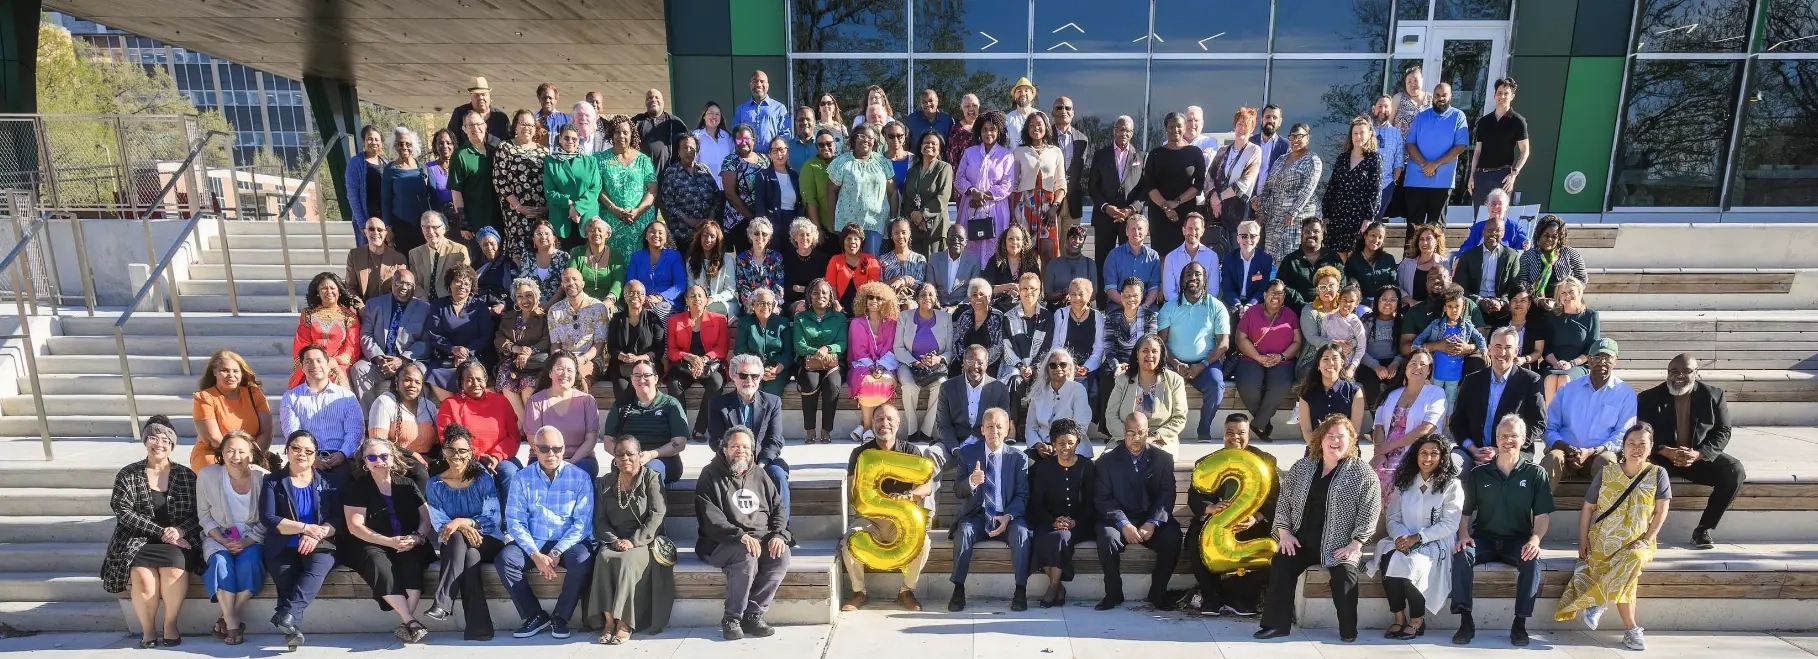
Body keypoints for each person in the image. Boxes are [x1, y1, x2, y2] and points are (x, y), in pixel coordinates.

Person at [1254, 415, 1381, 642]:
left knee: (1345, 574)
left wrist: (1356, 544)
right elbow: (1284, 501)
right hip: (1301, 540)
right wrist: (1284, 533)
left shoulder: (1363, 473)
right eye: (1329, 436)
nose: (1335, 441)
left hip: (1340, 544)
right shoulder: (1303, 467)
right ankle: (1276, 625)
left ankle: (1348, 630)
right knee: (1282, 562)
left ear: (1351, 440)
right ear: (1320, 439)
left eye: (1341, 436)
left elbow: (1370, 512)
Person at [1554, 423, 1671, 651]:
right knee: (1629, 576)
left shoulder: (1658, 474)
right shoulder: (1607, 472)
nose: (1636, 449)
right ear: (1623, 447)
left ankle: (1596, 601)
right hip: (1602, 539)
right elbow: (1588, 508)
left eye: (1642, 444)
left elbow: (1661, 511)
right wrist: (1582, 541)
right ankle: (1631, 630)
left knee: (1635, 557)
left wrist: (1647, 539)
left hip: (1638, 540)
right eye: (1631, 444)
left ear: (1651, 448)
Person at [1452, 414, 1554, 646]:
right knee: (1461, 555)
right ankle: (1465, 621)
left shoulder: (1535, 473)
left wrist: (1535, 540)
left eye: (1514, 436)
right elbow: (1465, 512)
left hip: (1517, 540)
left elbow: (1542, 516)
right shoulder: (1479, 474)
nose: (1509, 440)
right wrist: (1464, 535)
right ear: (1496, 439)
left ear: (1524, 439)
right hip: (1484, 538)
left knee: (1532, 561)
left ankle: (1520, 624)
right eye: (1504, 436)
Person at [105, 417, 201, 649]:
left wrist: (179, 531)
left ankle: (170, 625)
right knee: (143, 580)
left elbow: (200, 513)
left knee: (172, 574)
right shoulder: (128, 474)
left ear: (173, 445)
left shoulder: (187, 476)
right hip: (138, 539)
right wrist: (162, 532)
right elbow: (123, 511)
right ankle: (148, 630)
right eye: (153, 438)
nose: (159, 443)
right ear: (145, 441)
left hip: (178, 541)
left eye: (165, 439)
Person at [840, 403, 943, 612]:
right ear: (873, 424)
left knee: (923, 543)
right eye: (879, 419)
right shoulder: (860, 453)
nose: (884, 424)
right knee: (849, 542)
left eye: (889, 419)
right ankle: (859, 592)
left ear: (898, 424)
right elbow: (853, 490)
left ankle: (906, 590)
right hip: (870, 519)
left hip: (902, 520)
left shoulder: (910, 450)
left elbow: (927, 485)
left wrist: (908, 496)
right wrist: (879, 502)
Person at [497, 427, 595, 639]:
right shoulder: (521, 478)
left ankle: (561, 617)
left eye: (557, 448)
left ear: (563, 449)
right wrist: (535, 554)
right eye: (544, 448)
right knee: (505, 560)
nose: (551, 454)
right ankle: (534, 615)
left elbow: (583, 523)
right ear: (535, 449)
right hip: (534, 539)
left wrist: (558, 550)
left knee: (583, 559)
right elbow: (515, 521)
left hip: (567, 540)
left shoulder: (579, 477)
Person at [695, 427, 793, 640]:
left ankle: (753, 614)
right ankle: (732, 618)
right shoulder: (709, 475)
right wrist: (740, 535)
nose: (741, 451)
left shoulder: (759, 474)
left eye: (745, 447)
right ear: (724, 449)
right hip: (721, 543)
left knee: (781, 555)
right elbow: (711, 518)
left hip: (760, 537)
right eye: (735, 446)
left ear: (752, 450)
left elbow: (778, 508)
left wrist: (778, 534)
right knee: (746, 554)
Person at [1636, 354, 1741, 550]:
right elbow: (1643, 431)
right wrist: (1665, 451)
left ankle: (1703, 529)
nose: (1680, 376)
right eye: (1674, 371)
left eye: (1687, 371)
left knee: (1734, 470)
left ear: (1696, 373)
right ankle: (1641, 529)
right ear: (1667, 373)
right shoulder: (1649, 398)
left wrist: (1700, 454)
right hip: (1663, 458)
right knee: (1640, 470)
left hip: (1698, 458)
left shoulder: (1713, 395)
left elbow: (1723, 431)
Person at [340, 437, 435, 644]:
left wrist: (417, 537)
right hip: (371, 543)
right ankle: (410, 620)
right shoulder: (358, 488)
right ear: (364, 462)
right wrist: (388, 542)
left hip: (409, 541)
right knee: (378, 564)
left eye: (383, 456)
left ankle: (407, 624)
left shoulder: (407, 483)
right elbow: (355, 526)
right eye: (372, 457)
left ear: (392, 458)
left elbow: (426, 517)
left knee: (413, 563)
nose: (378, 461)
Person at [1373, 433, 1464, 640]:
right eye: (1423, 453)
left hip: (1435, 541)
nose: (1428, 458)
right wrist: (1401, 537)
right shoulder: (1405, 482)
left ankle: (1417, 619)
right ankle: (1399, 618)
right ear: (1416, 455)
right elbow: (1393, 517)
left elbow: (1450, 524)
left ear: (1442, 457)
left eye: (1434, 453)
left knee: (1415, 565)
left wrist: (1418, 538)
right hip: (1403, 538)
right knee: (1389, 560)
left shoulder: (1452, 485)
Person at [1091, 410, 1183, 611]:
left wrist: (1152, 522)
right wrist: (1123, 524)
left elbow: (1167, 494)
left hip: (1150, 518)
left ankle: (1158, 592)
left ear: (1148, 432)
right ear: (1124, 433)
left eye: (1140, 432)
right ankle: (1113, 593)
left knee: (1173, 537)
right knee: (1107, 537)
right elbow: (1103, 498)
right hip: (1119, 519)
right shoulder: (1107, 462)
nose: (1136, 438)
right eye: (1131, 433)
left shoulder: (1162, 459)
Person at [1188, 413, 1277, 617]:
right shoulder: (1207, 461)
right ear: (1223, 435)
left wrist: (1256, 517)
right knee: (1194, 542)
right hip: (1215, 524)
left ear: (1249, 436)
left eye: (1241, 433)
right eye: (1230, 432)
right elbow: (1195, 495)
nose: (1235, 437)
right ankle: (1212, 598)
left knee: (1272, 549)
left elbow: (1275, 498)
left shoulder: (1265, 461)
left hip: (1250, 524)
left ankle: (1242, 598)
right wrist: (1209, 508)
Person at [261, 430, 343, 650]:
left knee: (317, 569)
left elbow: (338, 518)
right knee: (287, 583)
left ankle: (285, 617)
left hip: (321, 543)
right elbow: (268, 518)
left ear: (315, 455)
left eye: (308, 451)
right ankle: (290, 627)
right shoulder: (273, 481)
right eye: (296, 448)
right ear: (287, 450)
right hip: (282, 544)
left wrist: (318, 534)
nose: (301, 454)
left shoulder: (328, 481)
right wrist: (305, 528)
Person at [589, 436, 675, 644]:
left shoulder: (651, 478)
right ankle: (609, 620)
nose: (625, 458)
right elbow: (599, 519)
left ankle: (625, 622)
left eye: (630, 454)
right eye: (620, 454)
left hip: (644, 539)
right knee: (604, 557)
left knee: (627, 562)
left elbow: (657, 515)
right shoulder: (606, 482)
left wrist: (633, 541)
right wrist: (614, 539)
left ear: (639, 455)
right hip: (614, 539)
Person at [946, 408, 1033, 611]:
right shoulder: (968, 454)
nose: (994, 431)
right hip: (977, 516)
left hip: (1007, 516)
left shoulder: (1019, 458)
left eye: (999, 426)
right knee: (964, 532)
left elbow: (1022, 495)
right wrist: (971, 481)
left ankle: (1020, 590)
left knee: (1022, 534)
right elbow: (958, 491)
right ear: (982, 430)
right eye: (990, 427)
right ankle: (958, 589)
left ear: (1007, 430)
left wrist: (1008, 516)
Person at [421, 427, 504, 640]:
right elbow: (441, 524)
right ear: (444, 452)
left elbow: (493, 518)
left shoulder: (482, 479)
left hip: (488, 540)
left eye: (462, 451)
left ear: (470, 453)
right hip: (457, 544)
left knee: (459, 537)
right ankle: (480, 629)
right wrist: (462, 527)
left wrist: (462, 521)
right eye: (451, 450)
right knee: (468, 556)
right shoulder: (435, 484)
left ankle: (442, 602)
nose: (456, 456)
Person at [196, 431, 266, 645]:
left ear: (251, 455)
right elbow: (204, 515)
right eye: (230, 451)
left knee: (251, 562)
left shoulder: (262, 477)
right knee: (219, 563)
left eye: (241, 451)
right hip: (219, 534)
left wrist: (246, 541)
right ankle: (233, 623)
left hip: (253, 536)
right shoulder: (207, 475)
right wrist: (224, 541)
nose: (236, 456)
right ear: (222, 455)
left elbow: (269, 518)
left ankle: (227, 615)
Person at [1022, 417, 1095, 608]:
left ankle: (1053, 587)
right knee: (1042, 538)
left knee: (1061, 538)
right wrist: (1052, 521)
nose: (1066, 447)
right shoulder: (1042, 468)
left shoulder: (1087, 468)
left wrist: (1075, 522)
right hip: (1048, 521)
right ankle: (1059, 587)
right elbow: (1036, 502)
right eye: (1061, 443)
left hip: (1080, 524)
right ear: (1053, 443)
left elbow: (1091, 503)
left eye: (1071, 443)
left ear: (1077, 443)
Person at [1542, 339, 1636, 484]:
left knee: (1607, 461)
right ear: (1589, 361)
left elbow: (1622, 434)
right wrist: (1564, 447)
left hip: (1599, 454)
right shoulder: (1568, 389)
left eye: (1607, 358)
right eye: (1597, 358)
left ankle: (1604, 507)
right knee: (1552, 458)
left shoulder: (1625, 393)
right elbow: (1549, 427)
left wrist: (1593, 451)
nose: (1602, 363)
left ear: (1615, 360)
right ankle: (1538, 506)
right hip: (1566, 453)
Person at [1450, 327, 1547, 468]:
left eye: (1508, 347)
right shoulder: (1472, 380)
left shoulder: (1531, 380)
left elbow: (1538, 422)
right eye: (1497, 347)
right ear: (1489, 349)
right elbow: (1456, 421)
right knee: (1451, 465)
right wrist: (1473, 449)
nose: (1502, 352)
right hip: (1473, 451)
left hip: (1512, 453)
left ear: (1516, 351)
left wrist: (1504, 449)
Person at [706, 354, 791, 510]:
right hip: (729, 461)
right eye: (743, 375)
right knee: (709, 476)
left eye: (755, 376)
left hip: (763, 462)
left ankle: (782, 532)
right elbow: (716, 440)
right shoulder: (718, 404)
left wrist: (759, 465)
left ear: (760, 378)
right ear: (733, 377)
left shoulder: (773, 402)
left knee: (778, 475)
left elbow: (775, 439)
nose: (749, 380)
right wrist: (735, 460)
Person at [1160, 262, 1231, 444]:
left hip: (1206, 363)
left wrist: (1202, 365)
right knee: (1158, 385)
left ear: (1205, 280)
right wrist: (1175, 363)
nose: (1193, 277)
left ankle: (1204, 428)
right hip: (1174, 364)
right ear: (1182, 279)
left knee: (1216, 386)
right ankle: (1164, 431)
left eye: (1198, 274)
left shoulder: (1216, 307)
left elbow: (1223, 344)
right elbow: (1161, 343)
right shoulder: (1169, 307)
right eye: (1189, 274)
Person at [435, 361, 523, 498]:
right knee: (482, 477)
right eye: (469, 380)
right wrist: (478, 455)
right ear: (461, 383)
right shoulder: (450, 405)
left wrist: (496, 456)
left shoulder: (501, 401)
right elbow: (447, 439)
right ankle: (488, 519)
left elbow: (513, 436)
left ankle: (510, 518)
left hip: (501, 457)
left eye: (479, 379)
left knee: (511, 473)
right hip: (467, 459)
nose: (476, 384)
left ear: (485, 380)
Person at [279, 345, 364, 485]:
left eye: (319, 360)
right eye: (308, 361)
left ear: (328, 364)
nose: (314, 365)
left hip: (342, 457)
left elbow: (355, 432)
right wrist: (311, 458)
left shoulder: (347, 397)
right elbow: (293, 434)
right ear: (302, 366)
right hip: (306, 459)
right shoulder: (291, 397)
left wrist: (343, 454)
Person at [602, 358, 692, 482]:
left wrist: (651, 454)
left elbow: (680, 442)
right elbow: (608, 442)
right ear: (632, 380)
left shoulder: (671, 404)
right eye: (637, 376)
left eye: (646, 375)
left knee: (649, 472)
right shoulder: (621, 405)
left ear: (655, 378)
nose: (642, 379)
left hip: (663, 460)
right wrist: (626, 457)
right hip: (627, 460)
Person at [352, 270, 431, 409]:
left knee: (420, 372)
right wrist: (378, 357)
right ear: (392, 284)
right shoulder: (374, 304)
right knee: (359, 369)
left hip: (409, 361)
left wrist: (402, 359)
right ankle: (369, 421)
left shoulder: (425, 309)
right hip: (380, 361)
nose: (404, 288)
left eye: (408, 284)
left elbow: (426, 342)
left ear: (414, 287)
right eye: (399, 282)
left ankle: (414, 420)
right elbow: (366, 335)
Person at [1234, 281, 1302, 442]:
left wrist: (1282, 356)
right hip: (1251, 357)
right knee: (1248, 384)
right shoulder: (1252, 313)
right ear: (1264, 294)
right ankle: (1263, 422)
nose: (1276, 296)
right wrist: (1258, 357)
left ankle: (1258, 423)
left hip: (1282, 360)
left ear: (1284, 296)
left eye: (1280, 293)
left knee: (1280, 386)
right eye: (1273, 292)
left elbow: (1297, 341)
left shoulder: (1290, 314)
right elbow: (1240, 338)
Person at [1372, 348, 1445, 490]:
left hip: (1416, 451)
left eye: (1423, 364)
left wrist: (1392, 446)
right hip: (1385, 450)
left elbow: (1427, 428)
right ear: (1405, 369)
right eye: (1413, 363)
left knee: (1391, 478)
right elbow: (1379, 425)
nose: (1417, 367)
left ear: (1429, 371)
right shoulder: (1392, 393)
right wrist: (1380, 452)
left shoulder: (1436, 393)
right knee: (1369, 476)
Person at [1403, 83, 1470, 229]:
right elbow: (1410, 144)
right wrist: (1424, 165)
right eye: (1437, 95)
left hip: (1442, 181)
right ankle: (1411, 254)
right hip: (1416, 180)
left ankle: (1437, 253)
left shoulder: (1458, 116)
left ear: (1450, 97)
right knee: (1414, 226)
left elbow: (1460, 146)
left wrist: (1435, 164)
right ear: (1432, 97)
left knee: (1437, 227)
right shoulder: (1421, 117)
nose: (1440, 98)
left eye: (1444, 95)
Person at [522, 351, 602, 475]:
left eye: (570, 370)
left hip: (580, 458)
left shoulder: (587, 401)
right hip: (543, 457)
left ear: (576, 374)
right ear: (550, 373)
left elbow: (591, 439)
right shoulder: (536, 401)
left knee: (578, 472)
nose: (565, 374)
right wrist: (554, 462)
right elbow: (533, 438)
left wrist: (571, 462)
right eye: (560, 369)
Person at [192, 351, 274, 470]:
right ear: (215, 372)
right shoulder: (204, 397)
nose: (231, 375)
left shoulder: (255, 394)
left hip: (252, 454)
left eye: (235, 371)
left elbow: (266, 432)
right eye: (224, 370)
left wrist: (254, 456)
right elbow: (213, 438)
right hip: (215, 454)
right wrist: (237, 458)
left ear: (242, 374)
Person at [422, 265, 495, 398]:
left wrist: (466, 352)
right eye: (458, 281)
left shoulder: (479, 306)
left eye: (467, 283)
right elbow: (434, 334)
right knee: (434, 374)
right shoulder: (438, 306)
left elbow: (486, 336)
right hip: (445, 356)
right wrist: (452, 349)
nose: (462, 286)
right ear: (450, 284)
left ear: (471, 287)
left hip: (475, 355)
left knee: (472, 374)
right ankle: (452, 410)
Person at [665, 285, 731, 431]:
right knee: (674, 385)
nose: (697, 299)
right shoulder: (674, 321)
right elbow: (672, 351)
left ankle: (700, 428)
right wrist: (688, 356)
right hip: (683, 366)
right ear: (686, 300)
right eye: (693, 296)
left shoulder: (719, 320)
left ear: (707, 300)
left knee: (716, 383)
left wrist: (703, 359)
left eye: (700, 296)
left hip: (710, 365)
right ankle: (680, 428)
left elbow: (721, 349)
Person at [1106, 333, 1190, 448]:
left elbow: (1179, 417)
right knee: (1107, 461)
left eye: (1154, 351)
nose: (1150, 355)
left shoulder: (1175, 380)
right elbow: (1111, 415)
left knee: (1151, 458)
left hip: (1160, 441)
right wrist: (1131, 437)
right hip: (1125, 439)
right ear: (1137, 354)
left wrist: (1154, 436)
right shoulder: (1123, 380)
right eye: (1145, 351)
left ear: (1161, 355)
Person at [793, 278, 849, 444]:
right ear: (809, 297)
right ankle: (810, 430)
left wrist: (828, 349)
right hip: (808, 363)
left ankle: (826, 430)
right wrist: (816, 352)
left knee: (833, 384)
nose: (820, 296)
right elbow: (799, 345)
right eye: (816, 292)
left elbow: (842, 344)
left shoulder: (839, 318)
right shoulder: (801, 318)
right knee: (809, 382)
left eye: (824, 292)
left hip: (833, 364)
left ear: (831, 297)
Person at [829, 124, 899, 254]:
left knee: (871, 263)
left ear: (875, 141)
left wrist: (893, 220)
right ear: (855, 138)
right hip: (848, 223)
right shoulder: (841, 162)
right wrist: (833, 219)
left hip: (875, 222)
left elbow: (893, 193)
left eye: (870, 138)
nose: (866, 140)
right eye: (862, 136)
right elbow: (832, 191)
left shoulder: (883, 163)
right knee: (850, 263)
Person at [365, 361, 437, 489]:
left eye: (417, 382)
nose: (412, 385)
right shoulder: (385, 402)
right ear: (397, 381)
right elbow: (378, 443)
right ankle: (420, 509)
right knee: (419, 473)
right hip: (396, 457)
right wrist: (413, 454)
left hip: (427, 457)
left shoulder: (429, 406)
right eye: (407, 380)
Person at [1254, 123, 1322, 259]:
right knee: (1273, 259)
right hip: (1275, 219)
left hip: (1297, 219)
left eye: (1299, 136)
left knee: (1292, 260)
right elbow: (1268, 187)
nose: (1295, 140)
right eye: (1292, 136)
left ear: (1307, 138)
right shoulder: (1281, 159)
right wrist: (1261, 213)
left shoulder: (1312, 160)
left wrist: (1293, 212)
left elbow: (1308, 189)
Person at [1415, 286, 1488, 411]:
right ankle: (1434, 421)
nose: (1454, 310)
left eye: (1457, 306)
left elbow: (1480, 338)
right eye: (1450, 306)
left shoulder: (1467, 326)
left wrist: (1484, 350)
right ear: (1444, 308)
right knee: (1433, 397)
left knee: (1451, 398)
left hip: (1454, 372)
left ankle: (1448, 423)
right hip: (1437, 371)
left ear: (1463, 307)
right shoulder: (1436, 324)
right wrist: (1416, 348)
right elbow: (1421, 337)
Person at [1144, 112, 1206, 257]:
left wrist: (1177, 202)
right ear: (1166, 129)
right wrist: (1166, 207)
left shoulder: (1194, 153)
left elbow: (1198, 184)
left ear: (1185, 128)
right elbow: (1150, 185)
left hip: (1185, 212)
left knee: (1186, 253)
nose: (1175, 130)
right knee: (1162, 255)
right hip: (1160, 213)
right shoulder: (1155, 154)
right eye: (1171, 126)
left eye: (1179, 126)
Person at [895, 283, 951, 440]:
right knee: (909, 386)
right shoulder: (905, 317)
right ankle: (912, 430)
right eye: (923, 295)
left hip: (934, 367)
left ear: (936, 298)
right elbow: (898, 348)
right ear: (917, 299)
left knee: (942, 385)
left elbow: (949, 350)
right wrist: (915, 362)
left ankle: (927, 430)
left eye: (931, 294)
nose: (927, 298)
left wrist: (938, 359)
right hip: (908, 363)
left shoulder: (945, 318)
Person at [956, 110, 1014, 262]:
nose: (988, 133)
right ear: (979, 132)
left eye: (992, 129)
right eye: (984, 129)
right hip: (970, 206)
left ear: (999, 131)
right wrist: (973, 191)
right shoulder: (969, 153)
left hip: (996, 209)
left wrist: (984, 195)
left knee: (995, 254)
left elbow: (1008, 184)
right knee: (969, 249)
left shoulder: (1006, 155)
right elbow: (959, 178)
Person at [846, 281, 901, 440]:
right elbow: (858, 351)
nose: (874, 301)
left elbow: (893, 348)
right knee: (868, 382)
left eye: (879, 298)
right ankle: (869, 428)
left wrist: (881, 367)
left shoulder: (892, 323)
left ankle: (865, 426)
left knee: (884, 380)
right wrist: (872, 367)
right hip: (862, 366)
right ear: (864, 299)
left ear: (886, 301)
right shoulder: (857, 323)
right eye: (871, 297)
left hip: (887, 366)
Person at [495, 109, 552, 265]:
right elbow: (500, 182)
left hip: (540, 214)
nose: (527, 127)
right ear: (515, 126)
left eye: (530, 124)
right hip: (516, 214)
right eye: (522, 124)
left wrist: (546, 208)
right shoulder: (505, 148)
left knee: (541, 251)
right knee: (519, 258)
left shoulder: (544, 151)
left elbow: (552, 181)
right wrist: (519, 207)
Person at [1088, 115, 1145, 269]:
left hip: (1130, 219)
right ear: (1114, 131)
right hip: (1104, 217)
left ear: (1132, 133)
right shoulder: (1100, 155)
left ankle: (1128, 293)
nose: (1124, 133)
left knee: (1129, 262)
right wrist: (1106, 207)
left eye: (1127, 130)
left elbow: (1144, 189)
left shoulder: (1141, 156)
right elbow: (1092, 186)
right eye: (1120, 129)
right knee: (1103, 262)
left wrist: (1131, 209)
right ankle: (1102, 294)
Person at [1321, 116, 1383, 256]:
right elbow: (1332, 187)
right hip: (1337, 216)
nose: (1358, 136)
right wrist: (1326, 214)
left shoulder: (1374, 159)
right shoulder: (1342, 158)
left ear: (1369, 134)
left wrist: (1369, 218)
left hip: (1359, 218)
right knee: (1336, 256)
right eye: (1355, 133)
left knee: (1354, 257)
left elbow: (1375, 191)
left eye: (1362, 133)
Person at [287, 272, 361, 389]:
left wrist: (333, 362)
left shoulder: (349, 316)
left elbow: (352, 346)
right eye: (324, 288)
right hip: (313, 362)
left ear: (339, 291)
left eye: (332, 288)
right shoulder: (308, 314)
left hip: (338, 364)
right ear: (318, 292)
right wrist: (316, 360)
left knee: (336, 381)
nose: (329, 292)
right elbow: (302, 342)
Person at [935, 344, 1013, 453]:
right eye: (970, 361)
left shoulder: (1000, 389)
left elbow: (1004, 424)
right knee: (932, 453)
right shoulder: (947, 387)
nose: (975, 366)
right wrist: (954, 448)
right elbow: (943, 424)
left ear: (987, 363)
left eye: (980, 362)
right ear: (964, 362)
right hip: (954, 445)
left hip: (985, 447)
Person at [1468, 78, 1530, 214]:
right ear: (1494, 95)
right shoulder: (1484, 122)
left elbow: (1525, 151)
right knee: (1479, 217)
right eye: (1499, 93)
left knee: (1499, 219)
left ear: (1512, 96)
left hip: (1502, 175)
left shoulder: (1518, 121)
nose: (1502, 97)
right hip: (1481, 175)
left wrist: (1514, 174)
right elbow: (1478, 151)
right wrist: (1472, 175)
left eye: (1506, 94)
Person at [599, 116, 660, 254]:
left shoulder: (643, 160)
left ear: (632, 134)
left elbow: (652, 190)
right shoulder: (600, 159)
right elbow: (598, 188)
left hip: (640, 223)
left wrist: (638, 211)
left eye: (625, 132)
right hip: (611, 222)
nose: (621, 136)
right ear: (611, 134)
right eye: (617, 132)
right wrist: (613, 209)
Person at [1455, 206, 1524, 327]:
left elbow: (1514, 285)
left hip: (1501, 305)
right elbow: (1459, 286)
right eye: (1489, 230)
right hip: (1474, 303)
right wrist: (1479, 301)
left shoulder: (1512, 256)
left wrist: (1502, 302)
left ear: (1503, 233)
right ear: (1483, 231)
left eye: (1497, 230)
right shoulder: (1468, 256)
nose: (1493, 233)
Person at [1010, 110, 1066, 257]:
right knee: (1025, 253)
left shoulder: (1056, 152)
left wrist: (1055, 207)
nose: (1036, 128)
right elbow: (1013, 184)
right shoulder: (1019, 152)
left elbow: (1061, 184)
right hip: (1024, 206)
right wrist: (1012, 214)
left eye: (1039, 124)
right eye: (1031, 125)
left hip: (1048, 209)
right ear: (1027, 129)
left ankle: (1046, 281)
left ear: (1046, 127)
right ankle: (1026, 281)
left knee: (1048, 252)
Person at [1206, 108, 1261, 253]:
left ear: (1252, 129)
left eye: (1246, 125)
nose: (1242, 129)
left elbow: (1245, 182)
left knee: (1238, 255)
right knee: (1217, 253)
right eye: (1239, 124)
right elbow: (1210, 177)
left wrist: (1219, 198)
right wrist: (1213, 197)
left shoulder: (1254, 151)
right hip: (1217, 214)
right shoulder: (1222, 150)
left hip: (1239, 213)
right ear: (1234, 126)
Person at [604, 279, 666, 399]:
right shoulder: (617, 319)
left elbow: (658, 350)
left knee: (644, 391)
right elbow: (612, 348)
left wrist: (638, 358)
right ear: (624, 296)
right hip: (622, 367)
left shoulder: (653, 319)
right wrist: (623, 357)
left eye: (639, 293)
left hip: (647, 366)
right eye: (630, 293)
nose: (635, 296)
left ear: (644, 297)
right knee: (623, 395)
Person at [1298, 344, 1367, 451]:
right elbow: (1307, 431)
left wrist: (1337, 452)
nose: (1330, 363)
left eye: (1335, 358)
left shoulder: (1354, 392)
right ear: (1318, 364)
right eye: (1325, 359)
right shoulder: (1307, 394)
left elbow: (1354, 431)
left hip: (1347, 451)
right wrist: (1323, 451)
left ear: (1342, 363)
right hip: (1316, 451)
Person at [543, 125, 603, 249]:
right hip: (561, 219)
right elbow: (549, 192)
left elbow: (595, 188)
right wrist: (569, 203)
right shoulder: (550, 162)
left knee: (588, 261)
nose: (570, 141)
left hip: (587, 218)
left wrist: (578, 207)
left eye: (574, 139)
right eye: (566, 138)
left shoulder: (590, 161)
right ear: (560, 139)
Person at [1543, 277, 1601, 402]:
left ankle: (1565, 419)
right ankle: (1550, 420)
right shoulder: (1552, 316)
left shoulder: (1590, 315)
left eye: (1571, 292)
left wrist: (1571, 363)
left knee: (1564, 379)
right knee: (1551, 379)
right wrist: (1555, 363)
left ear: (1579, 292)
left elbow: (1592, 349)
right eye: (1563, 293)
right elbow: (1546, 349)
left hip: (1579, 365)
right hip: (1554, 364)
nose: (1567, 296)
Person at [660, 134, 723, 246]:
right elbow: (668, 202)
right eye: (684, 147)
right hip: (682, 232)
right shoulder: (671, 172)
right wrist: (688, 220)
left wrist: (710, 219)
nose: (688, 151)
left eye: (692, 148)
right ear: (678, 151)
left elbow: (716, 195)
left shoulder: (704, 169)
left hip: (705, 234)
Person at [1300, 274, 1366, 380]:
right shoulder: (1314, 312)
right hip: (1318, 359)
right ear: (1317, 290)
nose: (1327, 290)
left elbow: (1360, 344)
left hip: (1347, 362)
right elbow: (1313, 339)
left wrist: (1351, 365)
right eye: (1323, 287)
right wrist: (1336, 344)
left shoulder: (1353, 319)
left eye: (1331, 286)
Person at [1026, 348, 1093, 453]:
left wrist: (1057, 447)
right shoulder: (1038, 393)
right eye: (1053, 365)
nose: (1058, 368)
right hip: (1043, 446)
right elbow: (1030, 427)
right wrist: (1039, 445)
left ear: (1069, 368)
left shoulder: (1078, 390)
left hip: (1071, 447)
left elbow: (1081, 426)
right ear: (1047, 369)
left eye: (1063, 364)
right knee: (1027, 461)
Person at [1519, 216, 1589, 313]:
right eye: (1546, 235)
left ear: (1559, 238)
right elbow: (1523, 282)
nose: (1549, 239)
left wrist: (1566, 296)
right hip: (1537, 305)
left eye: (1554, 237)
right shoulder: (1527, 256)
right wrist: (1537, 300)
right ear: (1539, 235)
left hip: (1566, 304)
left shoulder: (1570, 253)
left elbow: (1582, 279)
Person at [380, 127, 433, 253]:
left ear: (413, 145)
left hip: (423, 224)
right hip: (401, 225)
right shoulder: (390, 169)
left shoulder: (421, 167)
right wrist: (388, 229)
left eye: (407, 144)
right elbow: (385, 201)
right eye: (400, 144)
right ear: (395, 146)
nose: (404, 147)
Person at [449, 112, 500, 240]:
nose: (475, 128)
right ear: (464, 129)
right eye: (470, 125)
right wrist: (463, 222)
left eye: (478, 124)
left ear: (485, 126)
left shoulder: (495, 152)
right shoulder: (460, 156)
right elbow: (456, 192)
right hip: (475, 222)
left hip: (498, 218)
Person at [997, 275, 1041, 420]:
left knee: (1042, 379)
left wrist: (1033, 367)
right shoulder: (1009, 317)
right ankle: (1011, 425)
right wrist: (1022, 366)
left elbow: (1047, 347)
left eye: (1033, 289)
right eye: (1024, 289)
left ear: (1039, 291)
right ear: (1019, 292)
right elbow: (1007, 347)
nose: (1029, 292)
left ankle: (1039, 425)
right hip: (1015, 365)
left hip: (1039, 366)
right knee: (1015, 380)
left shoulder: (1047, 317)